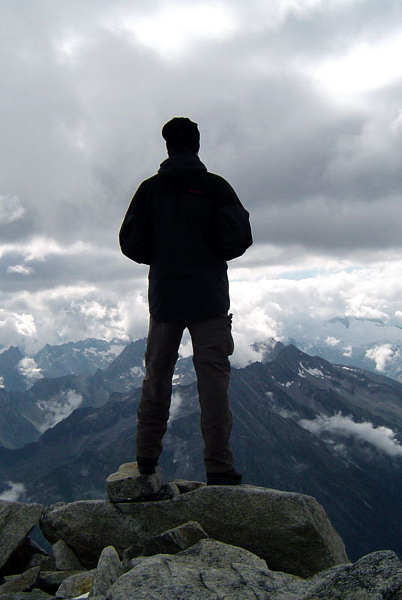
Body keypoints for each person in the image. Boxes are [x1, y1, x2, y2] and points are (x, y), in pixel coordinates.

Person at [119, 117, 253, 485]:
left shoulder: (149, 190)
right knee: (212, 383)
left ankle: (146, 459)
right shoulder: (216, 188)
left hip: (165, 298)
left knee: (157, 377)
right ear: (197, 145)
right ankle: (220, 467)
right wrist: (211, 252)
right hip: (208, 297)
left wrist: (162, 256)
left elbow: (129, 241)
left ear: (167, 147)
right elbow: (239, 237)